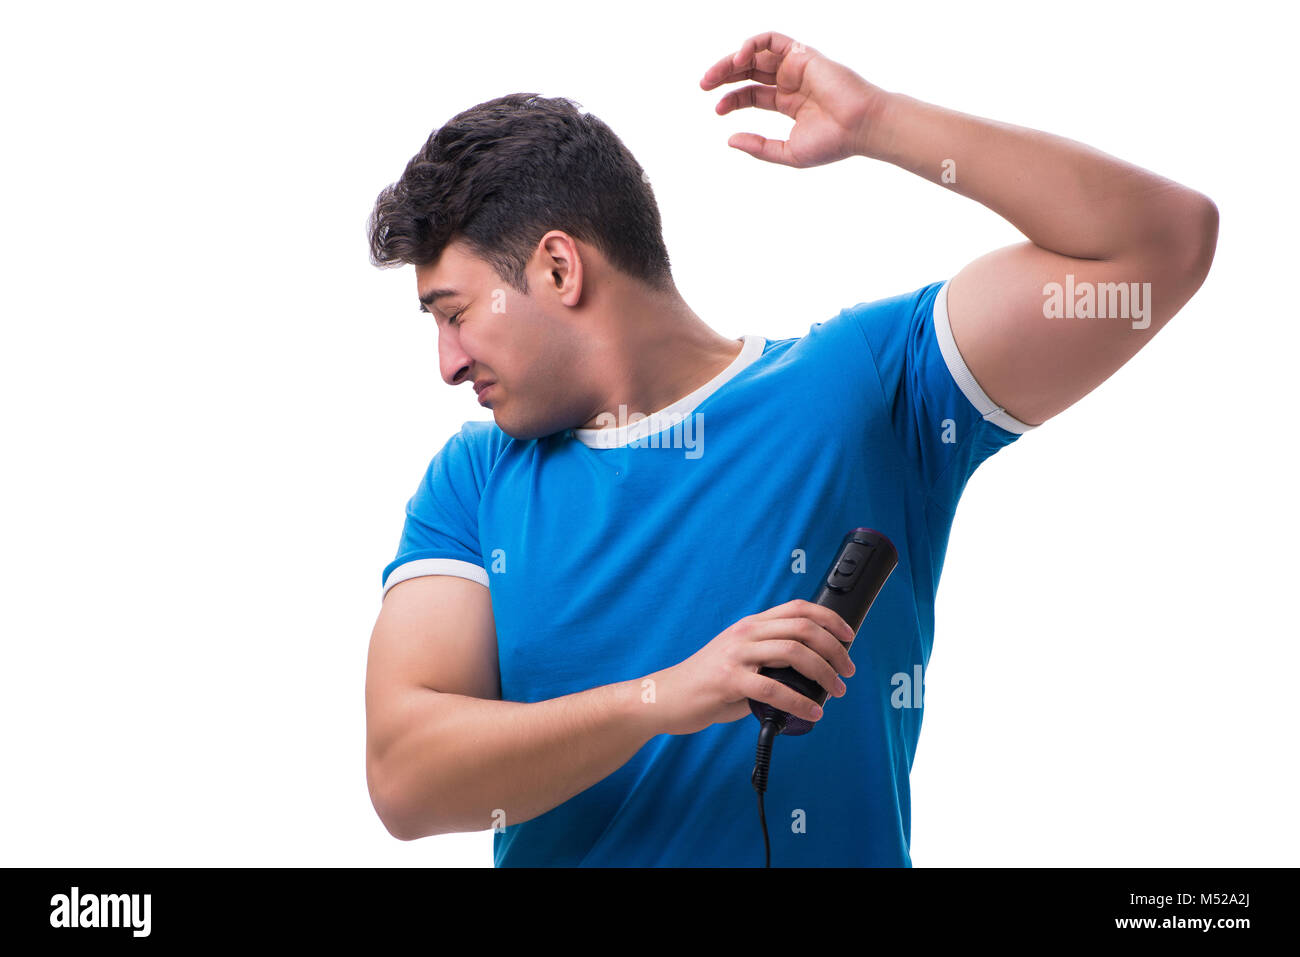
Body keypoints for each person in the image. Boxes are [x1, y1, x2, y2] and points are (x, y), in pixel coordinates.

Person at [362, 31, 1218, 866]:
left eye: (455, 312)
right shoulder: (473, 483)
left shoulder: (862, 389)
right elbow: (405, 775)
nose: (446, 362)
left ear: (558, 269)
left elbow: (1162, 243)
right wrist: (666, 697)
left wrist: (880, 122)